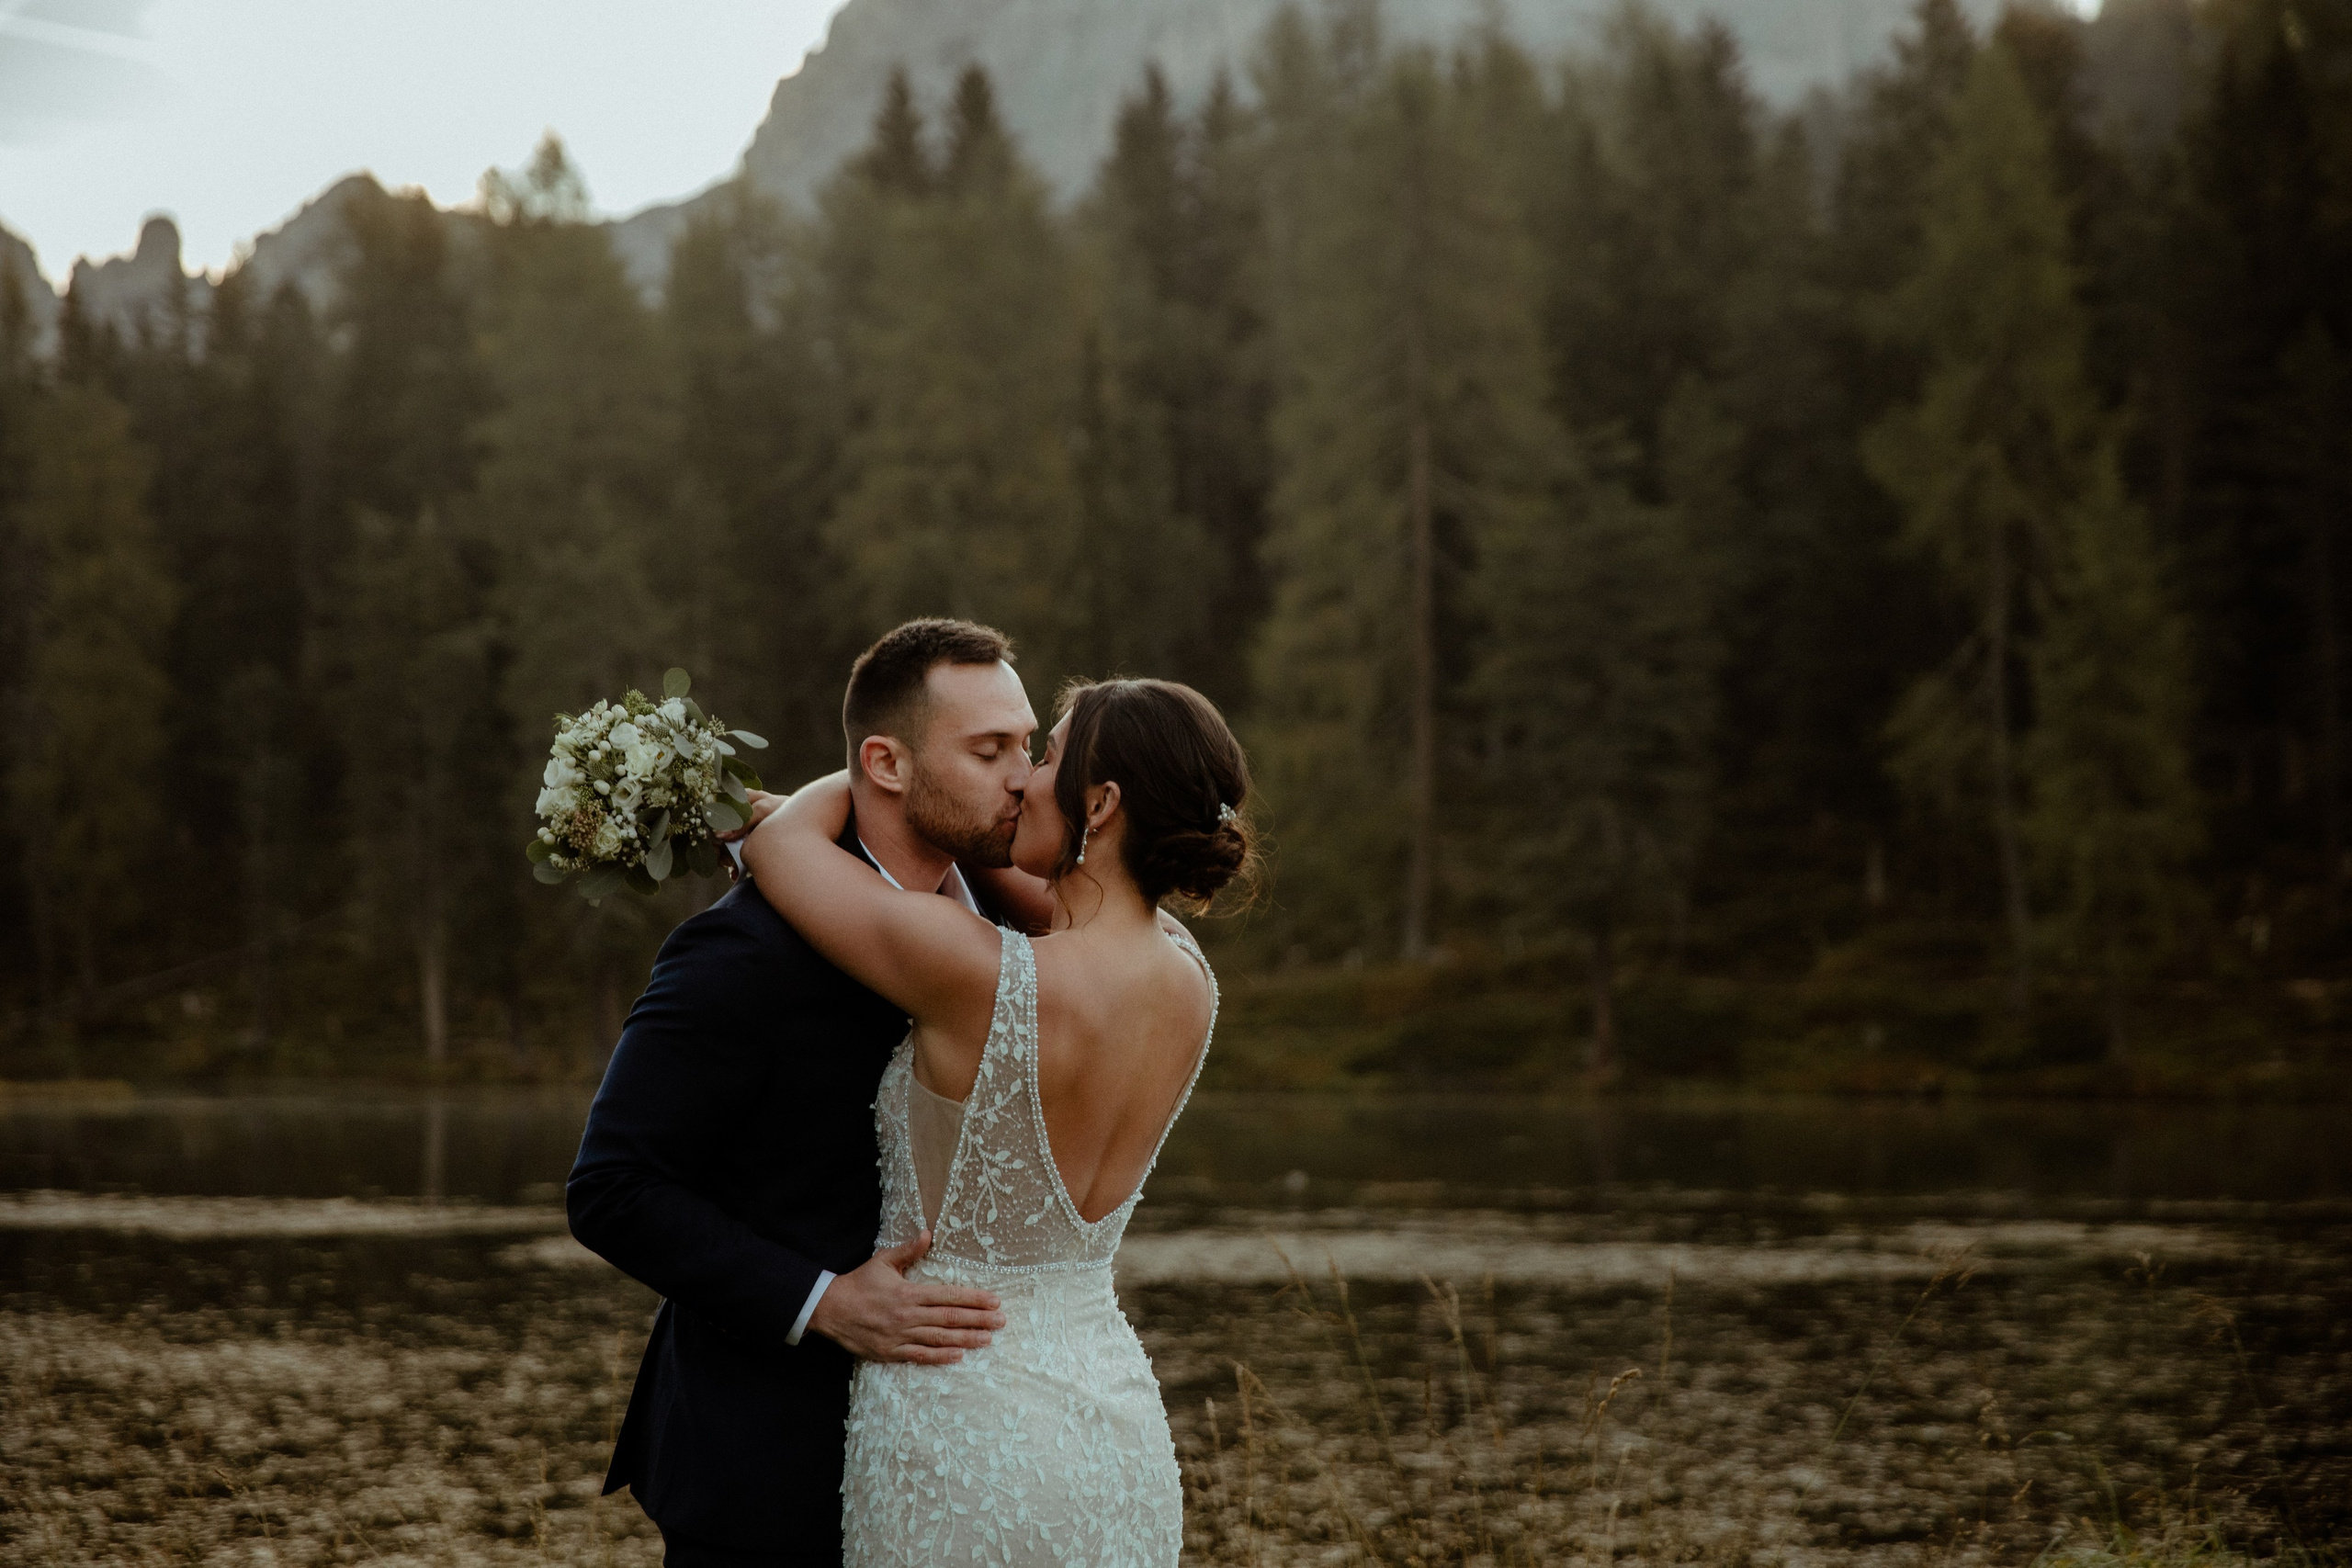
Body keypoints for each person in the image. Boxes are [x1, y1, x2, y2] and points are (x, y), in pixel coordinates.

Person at [738, 674, 1253, 1567]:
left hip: (961, 1424)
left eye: (1044, 755)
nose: (1019, 779)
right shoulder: (1188, 977)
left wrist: (873, 775)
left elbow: (781, 847)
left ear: (1101, 801)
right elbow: (1056, 898)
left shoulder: (969, 971)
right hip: (1113, 1435)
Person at [566, 619, 1038, 1567]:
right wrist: (820, 1302)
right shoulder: (740, 952)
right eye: (989, 751)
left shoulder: (1008, 928)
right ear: (886, 763)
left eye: (1027, 745)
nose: (1022, 775)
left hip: (959, 1462)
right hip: (762, 1463)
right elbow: (612, 1188)